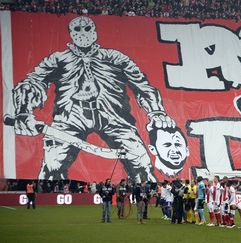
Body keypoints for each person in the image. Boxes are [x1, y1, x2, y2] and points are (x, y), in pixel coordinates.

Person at [12, 16, 175, 183]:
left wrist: (156, 112)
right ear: (71, 34)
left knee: (141, 164)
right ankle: (46, 198)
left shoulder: (115, 58)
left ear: (95, 32)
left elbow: (141, 84)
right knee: (52, 165)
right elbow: (33, 82)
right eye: (77, 29)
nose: (83, 33)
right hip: (71, 115)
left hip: (113, 115)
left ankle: (148, 197)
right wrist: (23, 111)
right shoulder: (58, 59)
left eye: (87, 29)